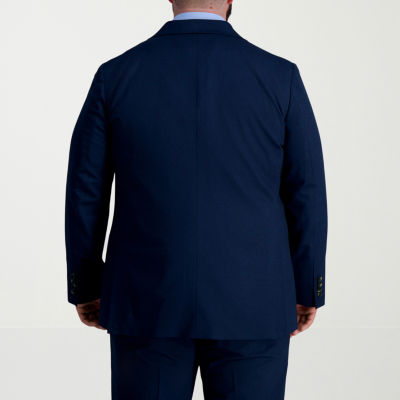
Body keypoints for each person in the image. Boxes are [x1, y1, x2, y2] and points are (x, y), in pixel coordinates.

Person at [65, 0, 328, 398]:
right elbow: (305, 191)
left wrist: (85, 285)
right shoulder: (280, 77)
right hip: (253, 303)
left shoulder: (115, 75)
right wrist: (307, 287)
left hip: (147, 303)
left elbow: (86, 189)